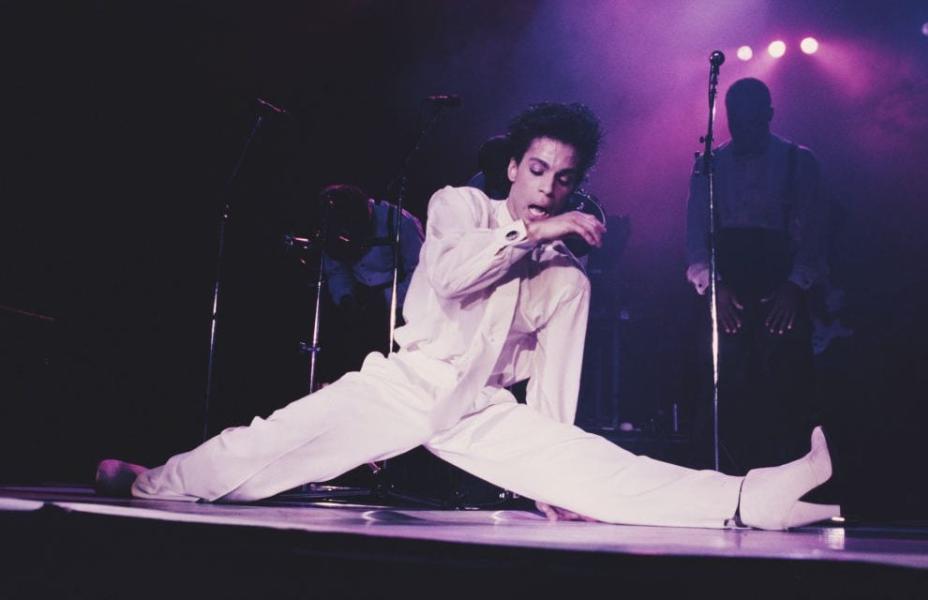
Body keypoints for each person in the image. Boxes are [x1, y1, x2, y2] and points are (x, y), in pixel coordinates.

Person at [98, 102, 837, 530]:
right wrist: (534, 235)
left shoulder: (561, 273)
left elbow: (554, 383)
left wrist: (557, 475)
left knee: (598, 467)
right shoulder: (460, 205)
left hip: (479, 407)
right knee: (273, 444)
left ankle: (748, 498)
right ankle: (153, 481)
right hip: (413, 381)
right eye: (538, 170)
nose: (549, 189)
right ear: (514, 167)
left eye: (566, 180)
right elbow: (450, 279)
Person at [686, 78, 827, 474]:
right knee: (722, 384)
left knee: (783, 384)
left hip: (779, 280)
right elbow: (695, 236)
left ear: (769, 115)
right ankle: (720, 481)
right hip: (727, 281)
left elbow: (815, 233)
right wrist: (714, 287)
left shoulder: (800, 161)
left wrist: (794, 287)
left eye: (753, 120)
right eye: (736, 121)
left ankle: (790, 479)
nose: (744, 130)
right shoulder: (709, 164)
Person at [311, 184, 424, 379]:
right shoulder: (334, 227)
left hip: (401, 307)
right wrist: (345, 297)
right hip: (359, 303)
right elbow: (337, 268)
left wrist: (387, 299)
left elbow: (422, 272)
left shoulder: (400, 222)